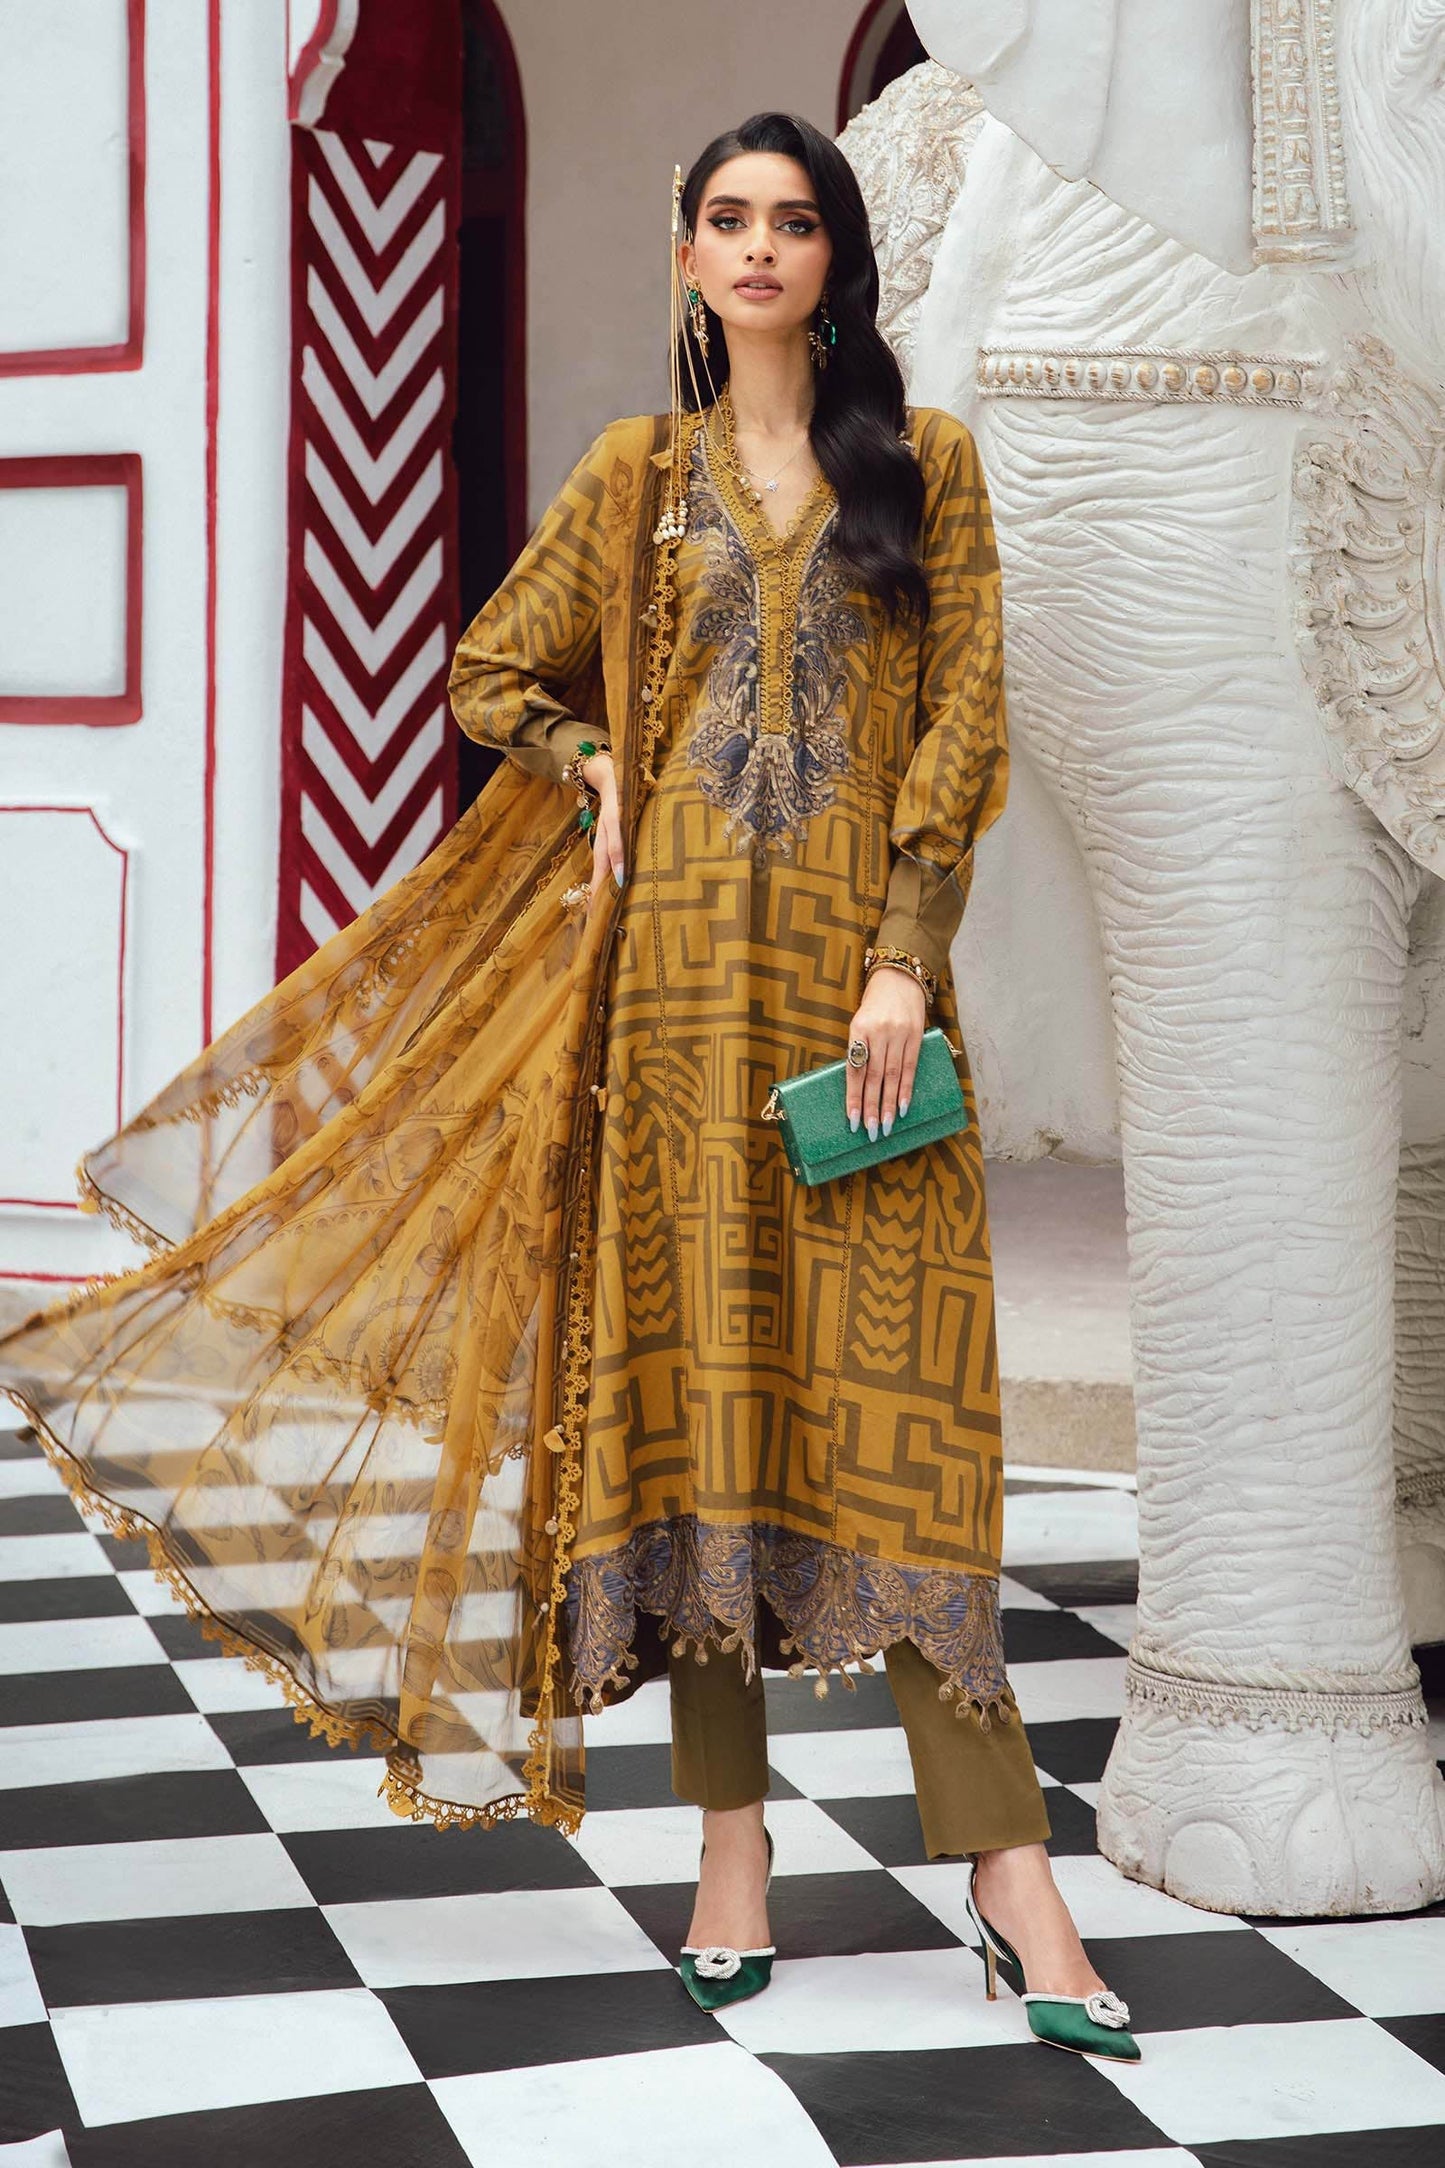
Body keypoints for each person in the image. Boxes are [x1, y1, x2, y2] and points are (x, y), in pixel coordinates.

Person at [0, 111, 1137, 2064]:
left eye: (795, 222)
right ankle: (731, 1855)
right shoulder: (637, 485)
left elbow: (966, 725)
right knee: (697, 1425)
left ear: (839, 263)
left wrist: (898, 954)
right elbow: (485, 671)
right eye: (728, 219)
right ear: (688, 258)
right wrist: (601, 765)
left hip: (861, 1023)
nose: (761, 248)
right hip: (675, 1014)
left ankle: (1009, 1870)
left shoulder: (922, 474)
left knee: (914, 1436)